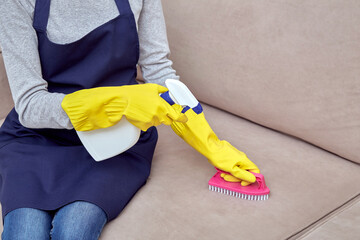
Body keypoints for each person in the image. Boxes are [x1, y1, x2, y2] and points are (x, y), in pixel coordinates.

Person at [0, 0, 260, 239]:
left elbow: (159, 71)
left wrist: (212, 144)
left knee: (75, 230)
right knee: (25, 230)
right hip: (39, 138)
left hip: (118, 139)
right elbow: (30, 105)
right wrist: (120, 103)